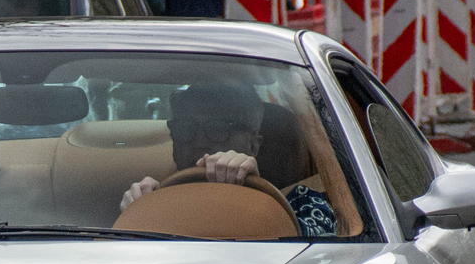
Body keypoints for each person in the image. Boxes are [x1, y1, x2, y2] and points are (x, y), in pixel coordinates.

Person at [117, 84, 339, 235]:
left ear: (254, 145)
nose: (200, 141)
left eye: (218, 129)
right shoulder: (153, 204)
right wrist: (137, 218)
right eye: (186, 129)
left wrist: (256, 198)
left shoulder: (304, 204)